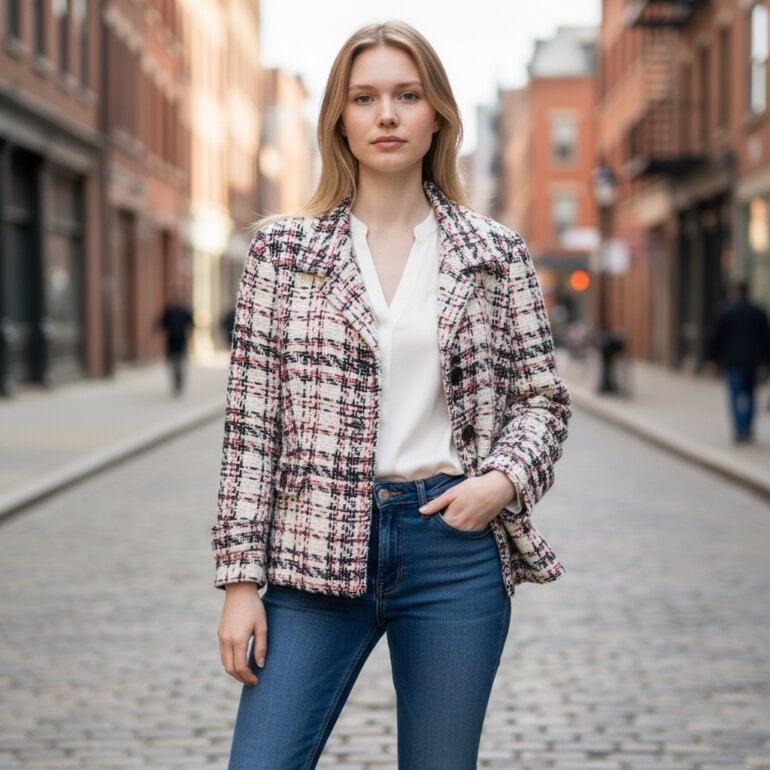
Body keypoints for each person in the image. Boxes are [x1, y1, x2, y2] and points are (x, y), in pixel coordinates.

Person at [212, 21, 571, 770]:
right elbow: (251, 430)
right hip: (315, 553)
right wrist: (241, 582)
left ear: (436, 112)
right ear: (339, 119)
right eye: (365, 97)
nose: (386, 114)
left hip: (453, 549)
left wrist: (500, 482)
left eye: (407, 96)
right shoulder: (283, 254)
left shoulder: (493, 253)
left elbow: (543, 399)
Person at [706, 279, 770, 443]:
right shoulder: (758, 312)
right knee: (750, 396)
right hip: (753, 362)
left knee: (735, 396)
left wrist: (711, 359)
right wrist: (765, 361)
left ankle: (740, 430)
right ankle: (747, 428)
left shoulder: (726, 312)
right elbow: (766, 339)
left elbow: (716, 337)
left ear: (734, 292)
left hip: (733, 361)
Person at [158, 290, 194, 396]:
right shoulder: (169, 311)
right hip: (171, 341)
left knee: (180, 362)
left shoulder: (185, 311)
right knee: (172, 363)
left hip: (181, 341)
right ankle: (175, 381)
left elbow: (191, 324)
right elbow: (162, 324)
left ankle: (180, 381)